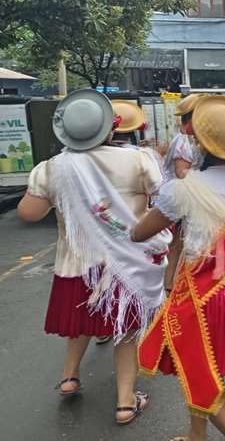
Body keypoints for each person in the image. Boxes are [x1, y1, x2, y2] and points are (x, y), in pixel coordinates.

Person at [17, 89, 170, 425]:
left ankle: (70, 377)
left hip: (76, 266)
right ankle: (126, 403)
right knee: (125, 334)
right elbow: (163, 203)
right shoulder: (138, 160)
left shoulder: (53, 168)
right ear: (109, 129)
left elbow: (29, 212)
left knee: (81, 323)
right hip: (126, 264)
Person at [133, 96, 225, 441]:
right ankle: (196, 436)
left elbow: (140, 233)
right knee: (202, 370)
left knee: (205, 380)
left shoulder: (183, 190)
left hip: (203, 301)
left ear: (200, 142)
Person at [164, 94, 205, 181]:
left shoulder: (196, 137)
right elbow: (181, 173)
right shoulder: (184, 140)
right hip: (180, 190)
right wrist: (208, 175)